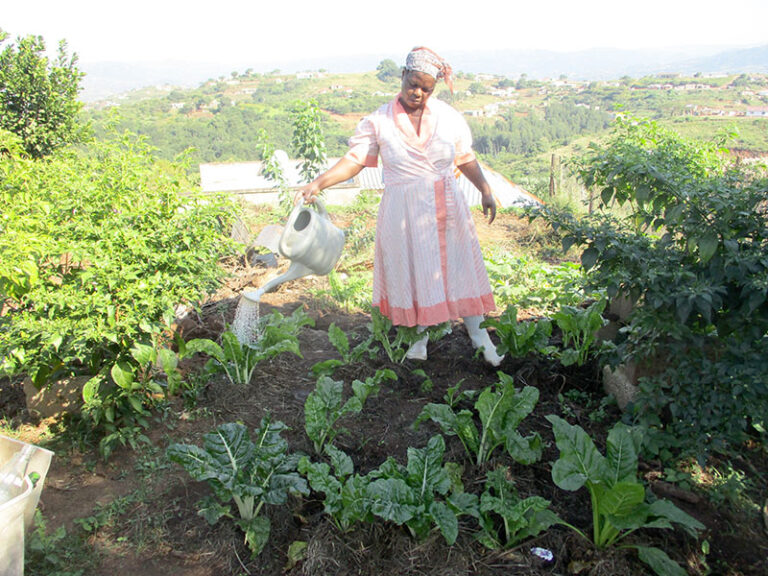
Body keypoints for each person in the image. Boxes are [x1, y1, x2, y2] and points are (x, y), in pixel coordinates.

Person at [297, 46, 504, 366]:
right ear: (402, 75)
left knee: (461, 269)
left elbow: (465, 158)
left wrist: (485, 189)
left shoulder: (449, 118)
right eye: (413, 84)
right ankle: (418, 338)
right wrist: (319, 183)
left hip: (447, 206)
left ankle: (480, 337)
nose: (418, 92)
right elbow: (354, 161)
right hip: (403, 211)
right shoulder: (379, 121)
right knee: (413, 269)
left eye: (426, 88)